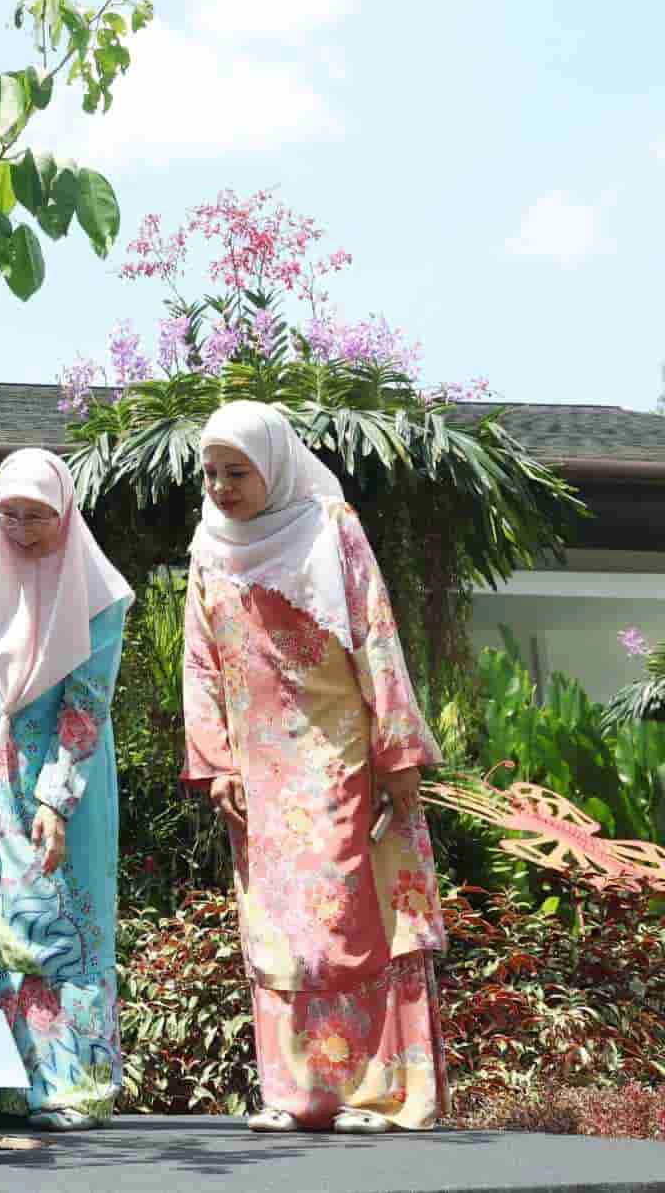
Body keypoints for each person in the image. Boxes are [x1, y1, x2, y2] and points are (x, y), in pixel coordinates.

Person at [181, 400, 448, 1134]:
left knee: (353, 914)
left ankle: (381, 1093)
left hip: (341, 758)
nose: (221, 486)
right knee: (278, 926)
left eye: (237, 471)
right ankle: (297, 1093)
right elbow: (200, 665)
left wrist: (396, 757)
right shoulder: (209, 547)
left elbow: (376, 636)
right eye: (211, 472)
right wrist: (216, 764)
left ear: (274, 465)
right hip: (258, 772)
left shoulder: (332, 529)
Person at [0, 449, 132, 1131]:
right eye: (8, 513)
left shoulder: (98, 592)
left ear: (66, 513)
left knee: (63, 925)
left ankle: (67, 1083)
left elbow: (85, 704)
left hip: (64, 787)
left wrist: (56, 799)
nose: (20, 528)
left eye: (37, 516)